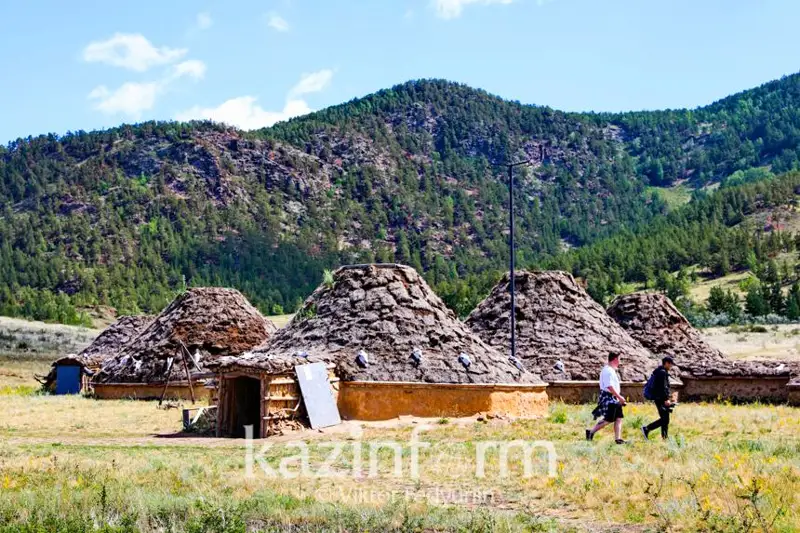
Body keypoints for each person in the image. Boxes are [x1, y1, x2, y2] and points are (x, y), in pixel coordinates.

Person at [586, 352, 627, 444]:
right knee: (608, 419)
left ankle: (618, 439)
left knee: (619, 417)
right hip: (608, 397)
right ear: (615, 359)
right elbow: (609, 386)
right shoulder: (608, 371)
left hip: (613, 397)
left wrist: (618, 398)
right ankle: (591, 432)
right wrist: (619, 397)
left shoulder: (611, 370)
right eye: (619, 359)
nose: (620, 361)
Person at [641, 356, 674, 440]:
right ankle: (647, 428)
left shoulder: (660, 371)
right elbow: (662, 388)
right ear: (666, 363)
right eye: (670, 364)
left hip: (659, 398)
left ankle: (665, 438)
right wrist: (666, 399)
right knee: (665, 419)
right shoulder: (662, 372)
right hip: (660, 399)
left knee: (665, 419)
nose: (671, 366)